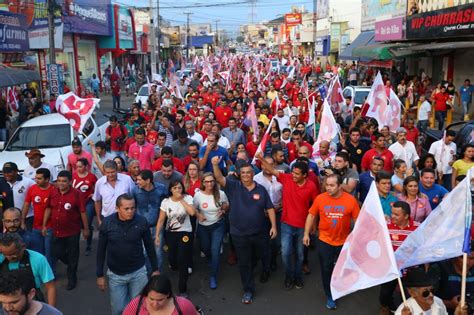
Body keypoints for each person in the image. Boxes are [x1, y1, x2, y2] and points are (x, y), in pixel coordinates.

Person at [212, 156, 277, 304]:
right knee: (244, 262)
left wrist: (273, 226)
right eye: (243, 173)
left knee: (261, 254)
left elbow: (270, 208)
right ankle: (248, 289)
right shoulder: (233, 186)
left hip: (259, 232)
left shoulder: (261, 190)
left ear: (253, 174)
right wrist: (215, 164)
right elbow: (219, 178)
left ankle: (264, 268)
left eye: (249, 172)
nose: (246, 175)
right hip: (239, 234)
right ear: (239, 174)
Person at [256, 153, 318, 290]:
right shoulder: (286, 178)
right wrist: (260, 159)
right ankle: (289, 276)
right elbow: (272, 170)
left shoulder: (312, 186)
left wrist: (313, 225)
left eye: (297, 174)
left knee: (300, 254)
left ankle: (298, 277)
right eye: (293, 172)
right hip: (286, 224)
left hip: (303, 226)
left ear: (304, 175)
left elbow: (315, 206)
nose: (293, 175)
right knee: (285, 253)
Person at [304, 174, 360, 310]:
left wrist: (358, 238)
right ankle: (330, 295)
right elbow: (311, 215)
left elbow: (358, 220)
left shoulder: (350, 200)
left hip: (343, 242)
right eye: (326, 185)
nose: (328, 188)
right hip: (325, 240)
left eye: (331, 185)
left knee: (342, 268)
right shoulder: (320, 198)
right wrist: (306, 234)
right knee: (326, 269)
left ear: (340, 186)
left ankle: (340, 287)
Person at [96, 194, 159, 315]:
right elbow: (101, 250)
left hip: (138, 273)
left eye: (133, 208)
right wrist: (99, 275)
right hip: (116, 275)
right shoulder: (107, 223)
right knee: (119, 310)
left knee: (140, 307)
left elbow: (150, 247)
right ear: (117, 208)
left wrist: (155, 269)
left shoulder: (141, 221)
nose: (130, 211)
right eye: (126, 209)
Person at [43, 171, 89, 290]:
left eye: (64, 181)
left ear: (69, 182)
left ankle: (72, 278)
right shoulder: (53, 192)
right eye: (59, 181)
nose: (61, 183)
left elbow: (83, 212)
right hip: (56, 230)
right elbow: (48, 208)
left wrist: (86, 229)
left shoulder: (77, 194)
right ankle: (71, 263)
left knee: (73, 253)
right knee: (57, 252)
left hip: (72, 231)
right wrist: (44, 225)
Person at [155, 181, 196, 297]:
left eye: (179, 188)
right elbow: (161, 220)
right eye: (175, 188)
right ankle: (173, 264)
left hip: (185, 233)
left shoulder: (188, 198)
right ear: (171, 190)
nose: (177, 190)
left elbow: (192, 212)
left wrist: (181, 199)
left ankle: (182, 289)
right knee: (172, 258)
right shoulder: (166, 202)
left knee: (182, 259)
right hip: (171, 233)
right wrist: (157, 235)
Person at [380, 201, 419, 314]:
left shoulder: (418, 228)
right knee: (385, 293)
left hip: (410, 269)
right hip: (391, 267)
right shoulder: (386, 226)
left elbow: (421, 248)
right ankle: (386, 307)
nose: (393, 216)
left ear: (406, 216)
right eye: (392, 213)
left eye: (397, 214)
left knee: (409, 295)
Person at [193, 173, 229, 289]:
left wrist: (223, 211)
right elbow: (194, 209)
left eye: (211, 181)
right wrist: (199, 215)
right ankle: (210, 258)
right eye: (207, 181)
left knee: (215, 250)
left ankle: (213, 276)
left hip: (218, 225)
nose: (209, 184)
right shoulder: (198, 195)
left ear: (215, 182)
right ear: (203, 182)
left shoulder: (221, 193)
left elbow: (226, 205)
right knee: (205, 247)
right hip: (203, 226)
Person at [0, 233, 56, 306]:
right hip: (5, 301)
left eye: (13, 254)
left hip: (32, 301)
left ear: (23, 247)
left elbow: (50, 287)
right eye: (5, 254)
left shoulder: (38, 259)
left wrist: (51, 311)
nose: (8, 258)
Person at [132, 170, 167, 273]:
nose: (137, 182)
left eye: (139, 180)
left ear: (147, 180)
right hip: (142, 228)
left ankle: (157, 275)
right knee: (144, 253)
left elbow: (166, 205)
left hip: (157, 227)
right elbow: (132, 207)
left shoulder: (161, 189)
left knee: (158, 253)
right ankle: (147, 276)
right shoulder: (135, 191)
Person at [21, 168, 55, 266]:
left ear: (47, 179)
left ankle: (51, 274)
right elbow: (26, 204)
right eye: (36, 178)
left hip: (50, 227)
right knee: (37, 252)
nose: (36, 180)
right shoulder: (32, 189)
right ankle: (39, 273)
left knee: (49, 252)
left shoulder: (54, 190)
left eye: (39, 178)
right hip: (36, 227)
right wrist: (22, 221)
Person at [122, 274, 198, 315]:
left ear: (168, 294)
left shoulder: (183, 305)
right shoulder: (136, 304)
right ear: (146, 294)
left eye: (160, 300)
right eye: (151, 299)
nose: (155, 304)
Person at [93, 160, 135, 225]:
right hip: (107, 218)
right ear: (104, 172)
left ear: (117, 170)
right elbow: (97, 201)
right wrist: (99, 220)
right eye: (107, 172)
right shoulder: (99, 183)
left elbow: (134, 196)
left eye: (112, 172)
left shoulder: (127, 179)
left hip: (126, 218)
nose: (110, 175)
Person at [72, 158, 97, 256]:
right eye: (76, 166)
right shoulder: (73, 176)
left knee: (87, 222)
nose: (78, 168)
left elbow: (98, 187)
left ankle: (88, 245)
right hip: (76, 204)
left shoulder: (92, 177)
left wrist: (94, 194)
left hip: (88, 203)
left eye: (80, 166)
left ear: (86, 166)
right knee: (78, 224)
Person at [437, 249, 474, 314]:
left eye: (471, 258)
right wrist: (450, 304)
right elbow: (427, 297)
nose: (467, 262)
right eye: (462, 257)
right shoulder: (440, 268)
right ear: (455, 256)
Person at [0, 162, 35, 230]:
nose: (6, 174)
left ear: (17, 171)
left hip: (27, 218)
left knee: (27, 239)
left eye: (9, 172)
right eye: (4, 172)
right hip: (8, 221)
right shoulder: (1, 183)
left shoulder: (28, 182)